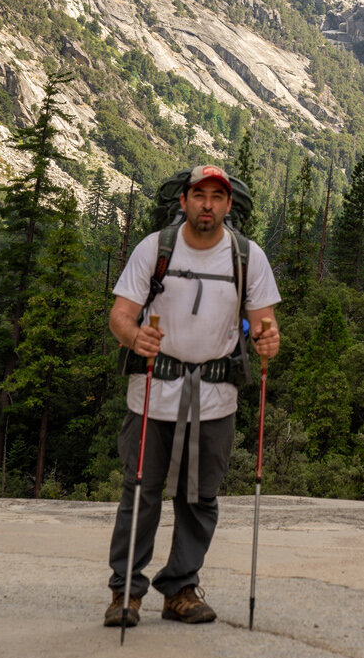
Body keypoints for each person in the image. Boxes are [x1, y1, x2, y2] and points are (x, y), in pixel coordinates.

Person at [104, 163, 280, 626]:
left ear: (228, 204)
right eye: (199, 195)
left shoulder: (246, 256)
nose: (207, 204)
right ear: (183, 201)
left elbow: (264, 321)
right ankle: (127, 592)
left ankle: (181, 588)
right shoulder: (156, 249)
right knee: (140, 492)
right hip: (153, 393)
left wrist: (268, 338)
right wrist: (133, 337)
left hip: (216, 397)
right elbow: (121, 314)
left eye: (216, 197)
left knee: (200, 497)